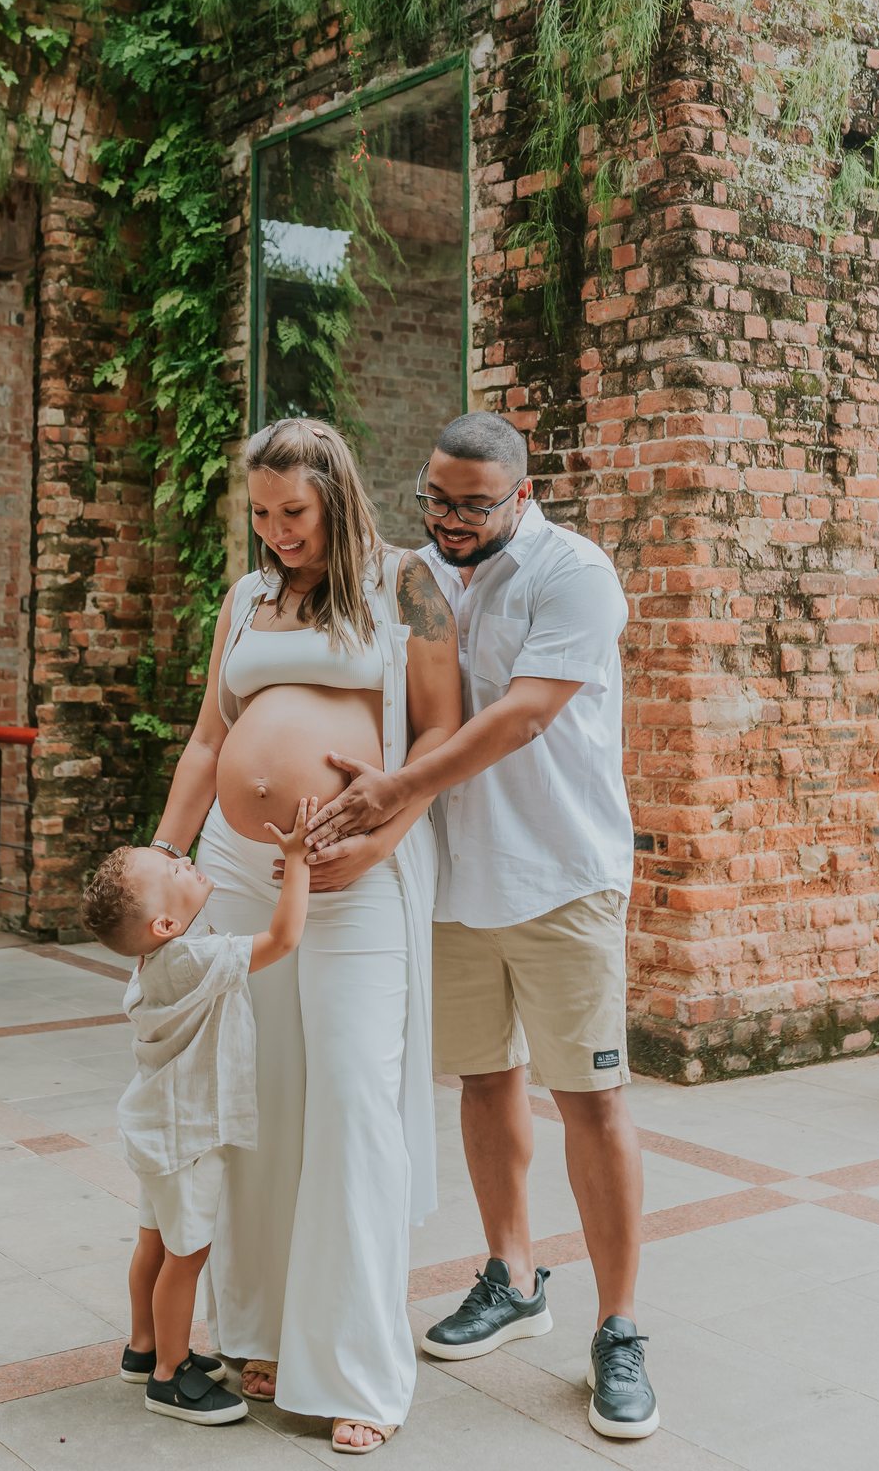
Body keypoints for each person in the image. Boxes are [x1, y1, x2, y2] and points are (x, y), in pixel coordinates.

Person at [304, 410, 659, 1442]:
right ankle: (512, 1275)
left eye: (474, 504)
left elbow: (524, 714)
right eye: (437, 498)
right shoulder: (418, 574)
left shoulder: (573, 573)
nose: (451, 520)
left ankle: (621, 1326)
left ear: (523, 492)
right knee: (485, 1081)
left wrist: (395, 790)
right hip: (455, 880)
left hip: (563, 879)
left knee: (590, 1097)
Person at [144, 416, 461, 1454]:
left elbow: (444, 734)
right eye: (264, 516)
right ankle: (264, 1328)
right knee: (259, 1097)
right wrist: (160, 863)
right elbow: (207, 742)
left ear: (338, 495)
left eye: (298, 514)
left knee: (352, 1100)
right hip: (239, 872)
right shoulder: (243, 601)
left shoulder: (405, 582)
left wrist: (381, 844)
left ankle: (362, 1365)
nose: (280, 533)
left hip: (357, 874)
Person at [80, 798, 316, 1427]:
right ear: (162, 925)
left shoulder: (154, 963)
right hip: (187, 1138)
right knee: (186, 1258)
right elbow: (284, 937)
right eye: (174, 871)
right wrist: (295, 860)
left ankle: (142, 1347)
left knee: (152, 1243)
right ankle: (170, 1376)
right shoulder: (196, 960)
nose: (183, 858)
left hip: (156, 1129)